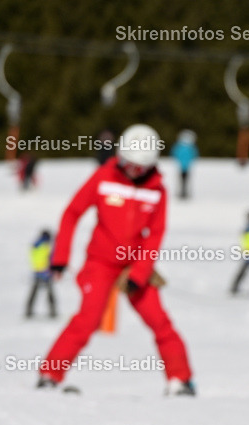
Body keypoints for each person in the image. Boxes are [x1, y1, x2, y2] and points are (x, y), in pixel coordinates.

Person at [37, 123, 195, 396]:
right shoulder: (104, 176)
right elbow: (72, 212)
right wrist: (60, 256)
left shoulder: (158, 190)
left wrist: (139, 275)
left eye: (140, 167)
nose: (133, 170)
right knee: (87, 320)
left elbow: (155, 235)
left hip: (136, 267)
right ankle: (50, 374)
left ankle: (180, 380)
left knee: (160, 322)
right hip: (100, 263)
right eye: (129, 163)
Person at [25, 229, 56, 318]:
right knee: (50, 294)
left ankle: (29, 311)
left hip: (37, 272)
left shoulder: (35, 245)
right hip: (45, 272)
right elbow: (49, 258)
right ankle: (52, 312)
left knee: (34, 293)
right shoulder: (45, 246)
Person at [171, 130, 199, 199]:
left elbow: (174, 153)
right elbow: (195, 154)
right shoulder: (190, 147)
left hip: (182, 166)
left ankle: (183, 192)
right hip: (185, 166)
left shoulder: (179, 146)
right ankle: (184, 192)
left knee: (182, 180)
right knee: (185, 180)